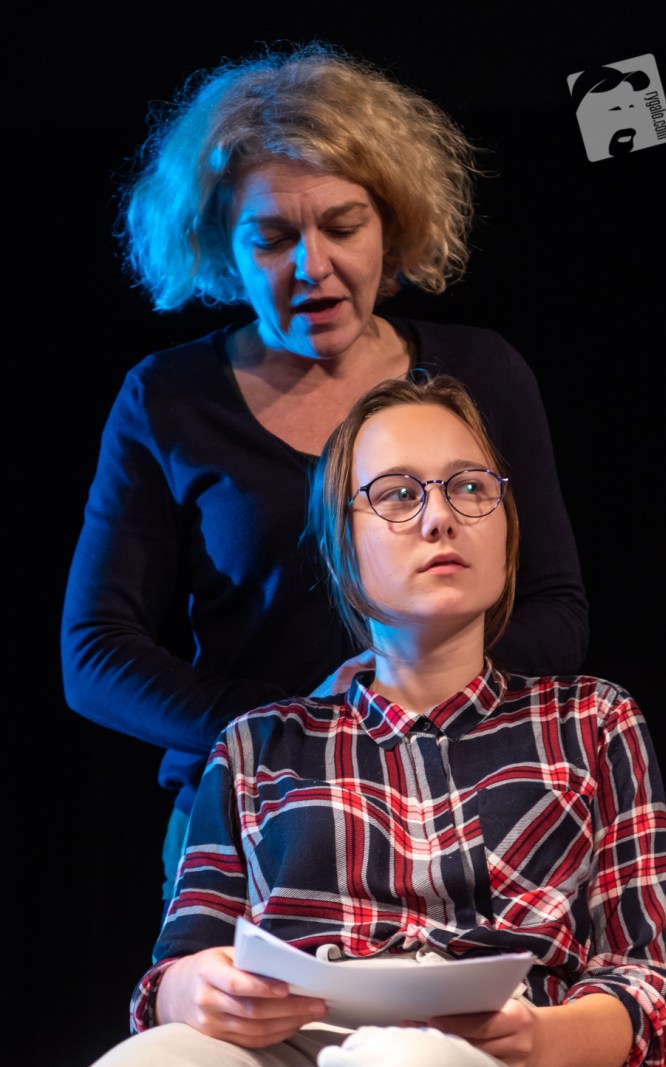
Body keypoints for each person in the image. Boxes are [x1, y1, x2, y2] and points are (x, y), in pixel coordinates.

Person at [7, 376, 666, 1067]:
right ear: (341, 546)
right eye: (399, 495)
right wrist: (191, 989)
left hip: (500, 1061)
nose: (440, 517)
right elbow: (175, 976)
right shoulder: (259, 744)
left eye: (471, 488)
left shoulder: (591, 721)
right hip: (279, 1048)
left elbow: (658, 1000)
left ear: (508, 527)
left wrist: (539, 1036)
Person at [59, 41, 590, 902]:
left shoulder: (482, 375)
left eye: (343, 227)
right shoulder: (169, 398)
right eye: (272, 238)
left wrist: (405, 704)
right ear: (222, 248)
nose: (313, 265)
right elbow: (96, 654)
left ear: (391, 224)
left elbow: (556, 610)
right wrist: (294, 728)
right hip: (256, 818)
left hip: (466, 801)